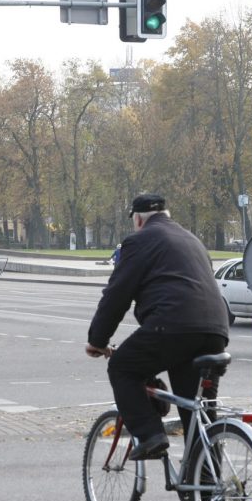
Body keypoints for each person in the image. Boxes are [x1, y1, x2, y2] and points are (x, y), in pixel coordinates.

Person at [85, 193, 230, 461]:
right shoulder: (193, 240)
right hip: (216, 330)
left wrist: (97, 339)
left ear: (137, 219)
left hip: (174, 326)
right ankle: (208, 497)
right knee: (199, 415)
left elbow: (117, 295)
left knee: (122, 368)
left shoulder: (138, 241)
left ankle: (151, 434)